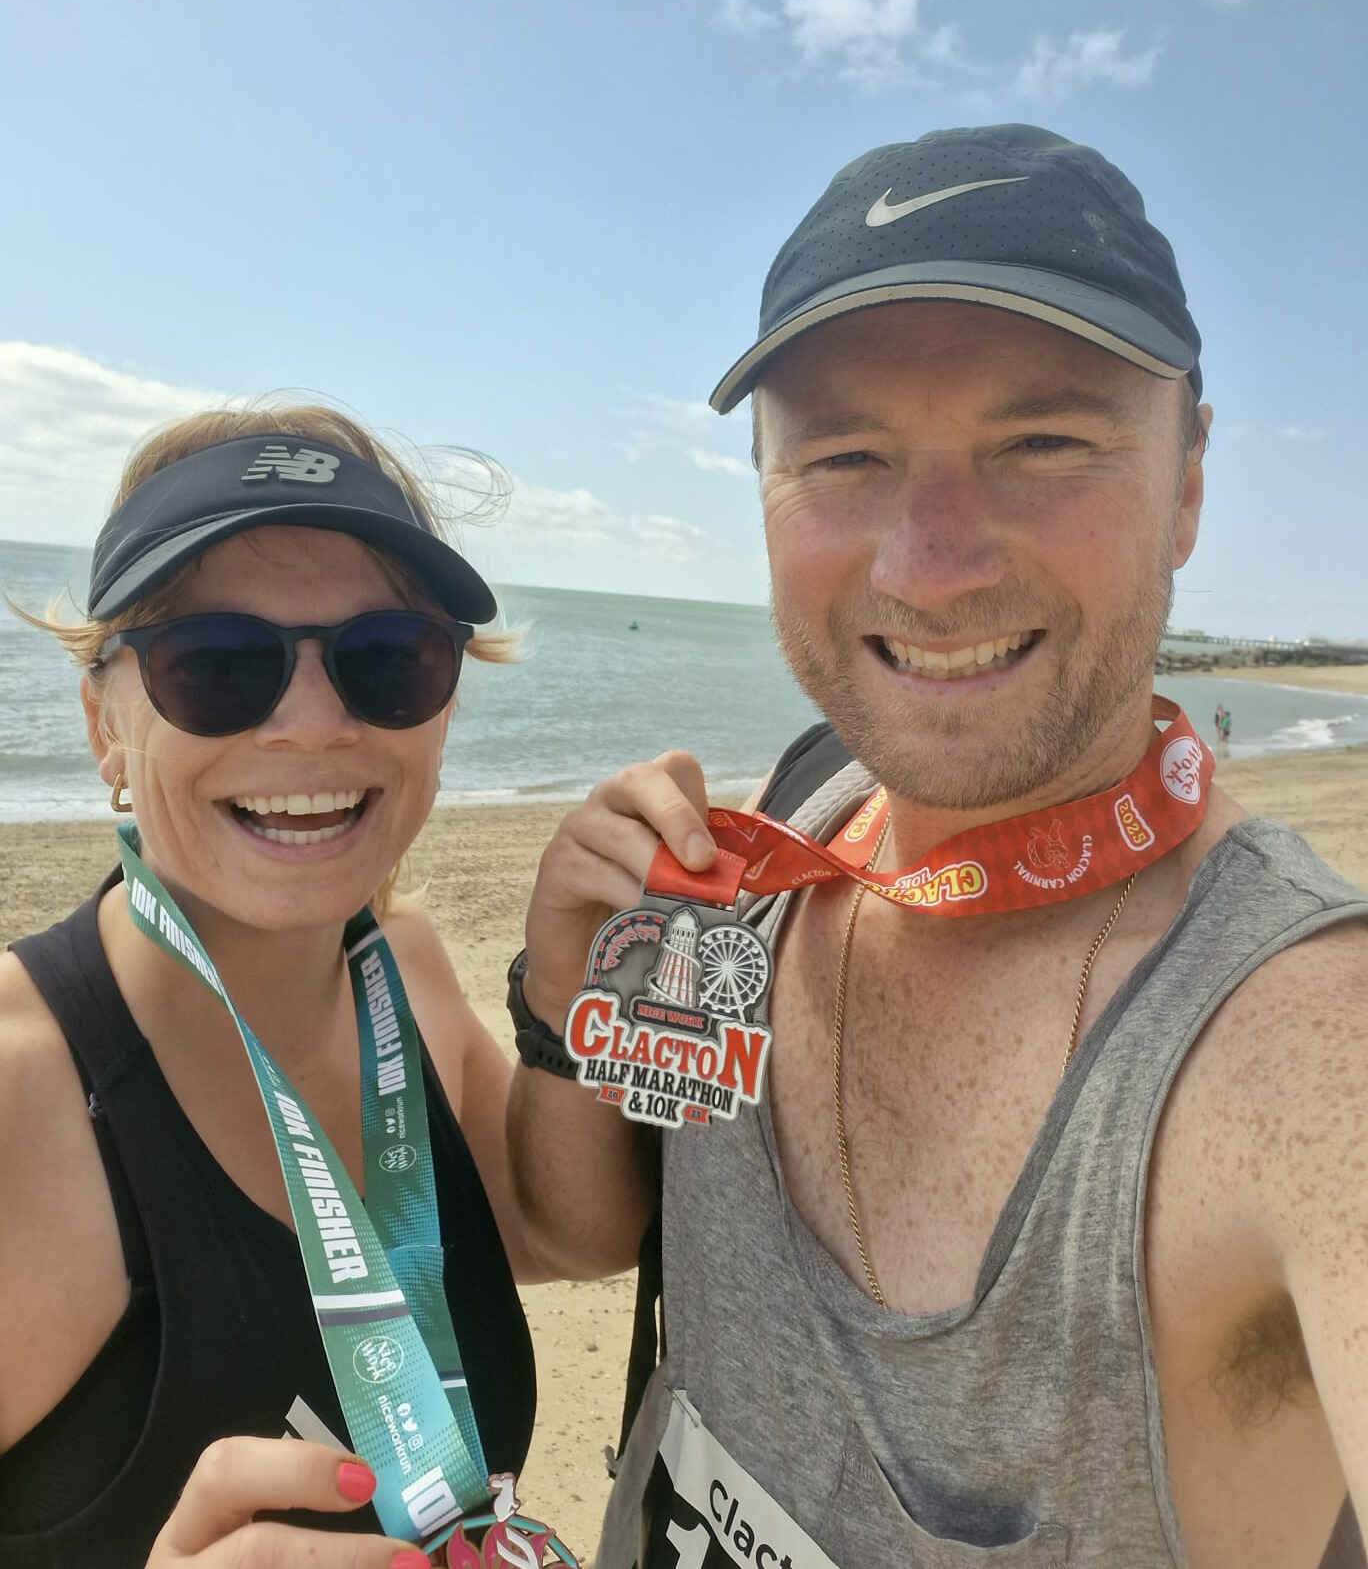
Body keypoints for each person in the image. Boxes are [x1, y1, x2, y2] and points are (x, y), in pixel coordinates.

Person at [505, 127, 1368, 1569]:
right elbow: (577, 1223)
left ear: (1191, 481)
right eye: (845, 454)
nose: (929, 560)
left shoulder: (1302, 1044)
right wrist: (557, 994)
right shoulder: (779, 824)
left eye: (1045, 441)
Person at [0, 405, 548, 1567]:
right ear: (105, 724)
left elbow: (560, 1222)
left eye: (389, 659)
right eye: (217, 664)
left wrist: (583, 961)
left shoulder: (412, 974)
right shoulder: (17, 1097)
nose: (312, 724)